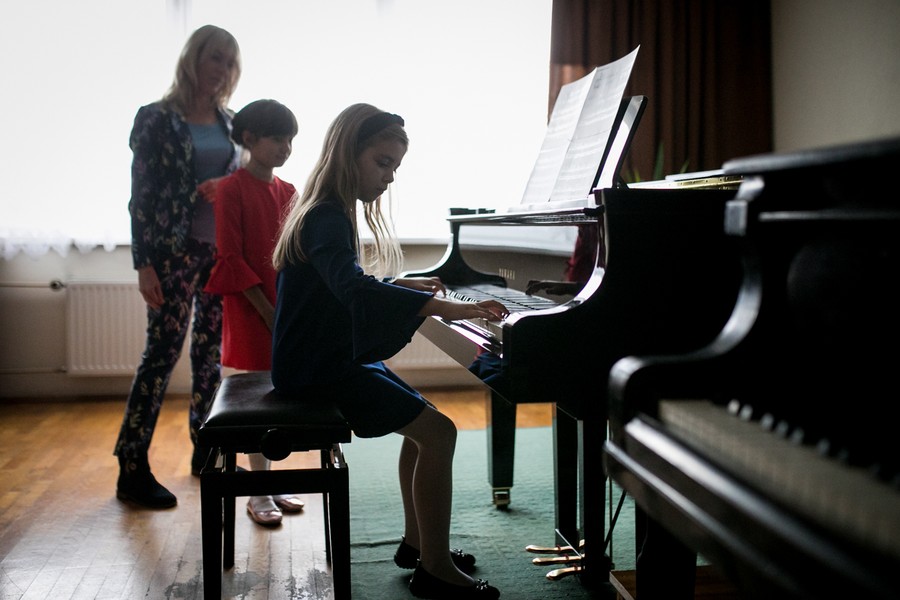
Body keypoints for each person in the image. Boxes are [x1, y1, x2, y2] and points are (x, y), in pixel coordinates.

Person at [271, 103, 506, 599]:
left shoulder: (326, 209)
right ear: (346, 153)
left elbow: (340, 287)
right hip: (317, 368)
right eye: (382, 163)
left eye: (395, 167)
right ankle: (435, 569)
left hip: (318, 356)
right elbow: (354, 292)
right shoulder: (327, 217)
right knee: (439, 432)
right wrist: (442, 306)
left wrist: (401, 284)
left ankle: (417, 545)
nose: (390, 177)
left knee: (423, 425)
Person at [113, 25, 242, 509]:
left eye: (230, 62)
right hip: (172, 253)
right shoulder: (155, 119)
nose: (222, 69)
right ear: (193, 59)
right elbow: (140, 197)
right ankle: (131, 465)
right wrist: (143, 264)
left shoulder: (231, 123)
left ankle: (203, 449)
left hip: (217, 254)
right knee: (161, 355)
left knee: (209, 359)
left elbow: (239, 179)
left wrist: (224, 185)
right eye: (215, 58)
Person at [204, 99, 305, 526]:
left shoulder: (288, 191)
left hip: (283, 307)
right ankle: (257, 489)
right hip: (249, 308)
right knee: (254, 398)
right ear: (249, 138)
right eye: (278, 138)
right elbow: (231, 258)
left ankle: (267, 483)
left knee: (277, 393)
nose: (286, 147)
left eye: (291, 140)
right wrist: (266, 310)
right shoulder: (230, 189)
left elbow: (295, 256)